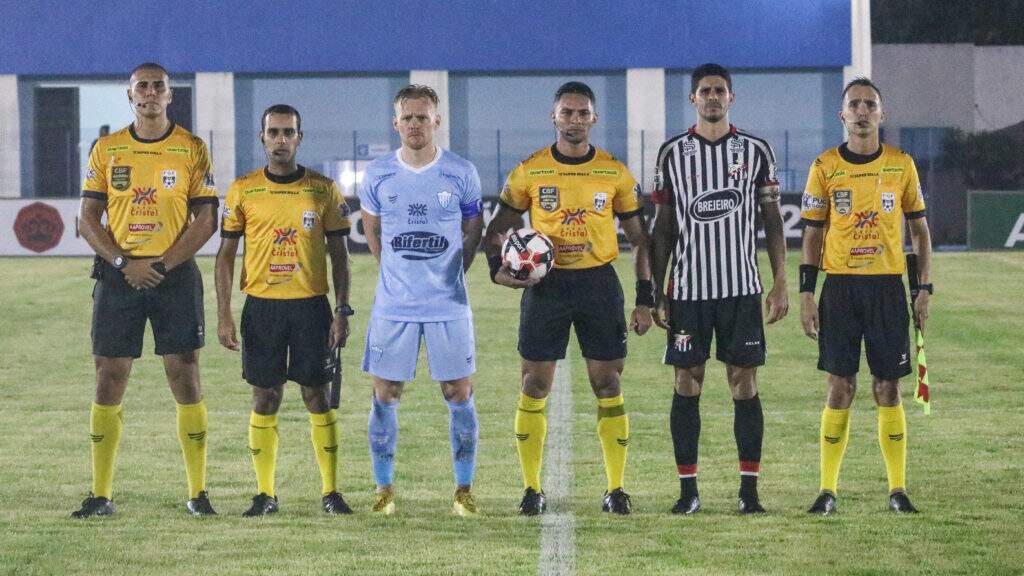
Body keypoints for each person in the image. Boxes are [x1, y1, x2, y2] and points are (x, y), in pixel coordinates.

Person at [484, 81, 654, 516]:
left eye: (582, 113)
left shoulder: (614, 172)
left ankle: (616, 488)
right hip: (547, 289)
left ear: (593, 119)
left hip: (599, 285)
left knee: (608, 384)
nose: (574, 120)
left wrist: (645, 298)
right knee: (534, 384)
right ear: (553, 116)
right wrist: (499, 272)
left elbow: (640, 239)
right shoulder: (530, 170)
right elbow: (497, 230)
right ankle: (531, 488)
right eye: (566, 112)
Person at [74, 62, 219, 517]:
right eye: (143, 87)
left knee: (185, 373)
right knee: (108, 376)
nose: (151, 93)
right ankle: (101, 495)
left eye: (159, 86)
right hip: (119, 277)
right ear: (130, 95)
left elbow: (207, 219)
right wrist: (122, 262)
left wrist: (159, 264)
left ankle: (197, 494)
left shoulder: (192, 148)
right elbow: (86, 219)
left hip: (173, 276)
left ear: (170, 95)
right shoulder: (107, 148)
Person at [650, 63, 788, 515]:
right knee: (687, 382)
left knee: (743, 384)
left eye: (720, 91)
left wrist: (780, 282)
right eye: (705, 91)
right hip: (688, 289)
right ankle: (688, 493)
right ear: (693, 99)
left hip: (741, 289)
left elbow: (771, 221)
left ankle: (749, 492)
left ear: (732, 97)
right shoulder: (672, 153)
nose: (713, 97)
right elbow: (664, 228)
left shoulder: (757, 150)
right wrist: (657, 288)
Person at [799, 77, 932, 515]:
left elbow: (919, 231)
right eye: (853, 104)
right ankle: (826, 490)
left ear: (881, 113)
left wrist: (924, 288)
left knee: (887, 387)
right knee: (840, 387)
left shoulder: (901, 165)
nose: (861, 111)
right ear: (842, 114)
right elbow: (812, 235)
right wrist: (806, 293)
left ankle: (897, 490)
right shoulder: (824, 167)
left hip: (887, 289)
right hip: (839, 289)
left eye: (869, 104)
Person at [215, 104, 354, 517]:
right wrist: (224, 313)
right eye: (273, 132)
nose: (280, 139)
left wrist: (342, 310)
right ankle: (264, 494)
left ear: (299, 137)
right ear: (262, 137)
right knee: (265, 396)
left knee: (318, 396)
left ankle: (331, 492)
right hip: (262, 309)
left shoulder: (324, 189)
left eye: (287, 132)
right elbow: (224, 257)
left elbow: (340, 256)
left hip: (312, 308)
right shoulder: (243, 189)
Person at [358, 84, 484, 516]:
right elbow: (372, 230)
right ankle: (383, 490)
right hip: (394, 305)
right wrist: (394, 272)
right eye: (407, 117)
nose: (415, 124)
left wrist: (453, 274)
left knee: (457, 391)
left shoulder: (461, 171)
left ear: (437, 120)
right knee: (386, 392)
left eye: (422, 116)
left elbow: (473, 229)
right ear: (396, 123)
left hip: (449, 304)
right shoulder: (377, 175)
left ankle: (463, 489)